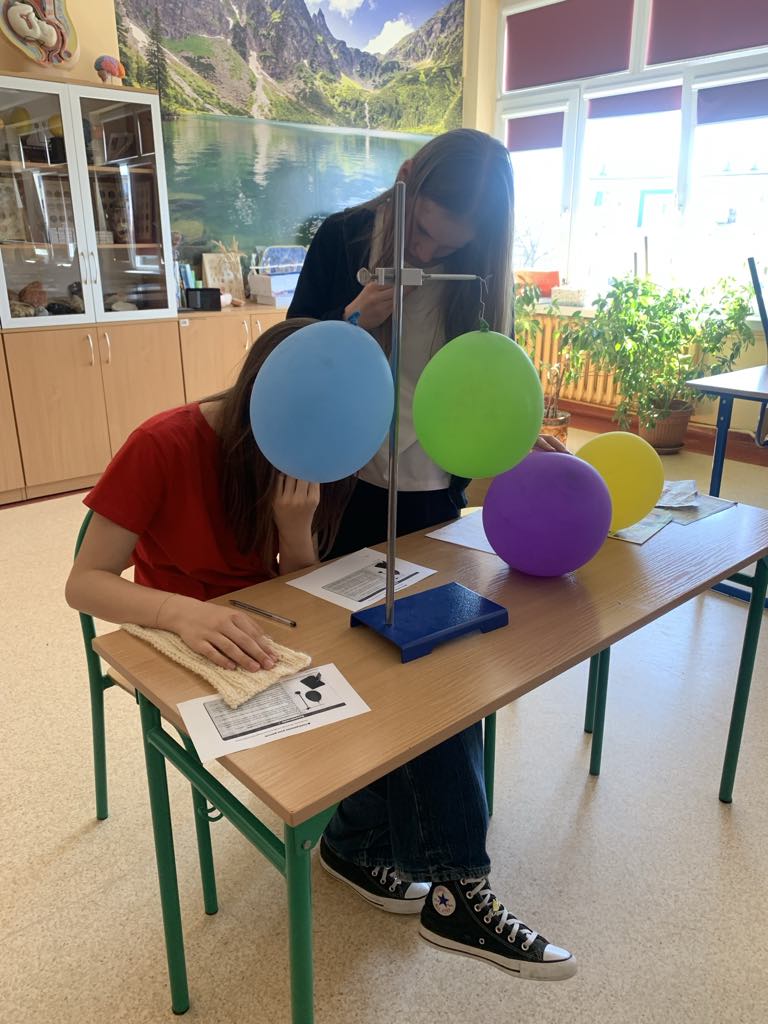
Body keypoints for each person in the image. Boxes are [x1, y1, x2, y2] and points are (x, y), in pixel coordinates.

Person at [288, 128, 575, 980]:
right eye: (420, 232)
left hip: (429, 496)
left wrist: (519, 437)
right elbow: (288, 363)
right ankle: (455, 887)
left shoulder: (475, 271)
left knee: (443, 669)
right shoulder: (344, 237)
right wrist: (353, 320)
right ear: (407, 180)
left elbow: (479, 382)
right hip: (348, 494)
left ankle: (358, 842)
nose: (427, 251)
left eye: (446, 246)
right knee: (391, 672)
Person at [66, 318, 355, 673]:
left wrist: (295, 532)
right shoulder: (161, 443)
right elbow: (84, 584)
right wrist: (180, 612)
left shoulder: (323, 442)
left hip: (262, 619)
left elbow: (295, 593)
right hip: (173, 624)